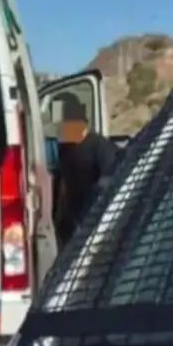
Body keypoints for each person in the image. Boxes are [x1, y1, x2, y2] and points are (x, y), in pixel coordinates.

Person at [52, 93, 121, 248]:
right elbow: (62, 183)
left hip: (93, 223)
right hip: (70, 224)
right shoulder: (65, 148)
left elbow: (111, 184)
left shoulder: (100, 147)